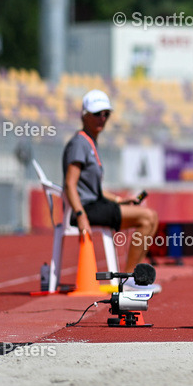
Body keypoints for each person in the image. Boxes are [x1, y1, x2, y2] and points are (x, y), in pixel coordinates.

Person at [62, 90, 160, 292]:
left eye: (106, 114)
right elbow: (70, 184)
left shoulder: (89, 142)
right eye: (97, 113)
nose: (103, 118)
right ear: (84, 115)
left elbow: (94, 189)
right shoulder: (79, 143)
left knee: (151, 217)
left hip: (94, 204)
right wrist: (80, 216)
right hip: (86, 208)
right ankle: (131, 278)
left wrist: (119, 200)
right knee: (147, 217)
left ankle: (134, 278)